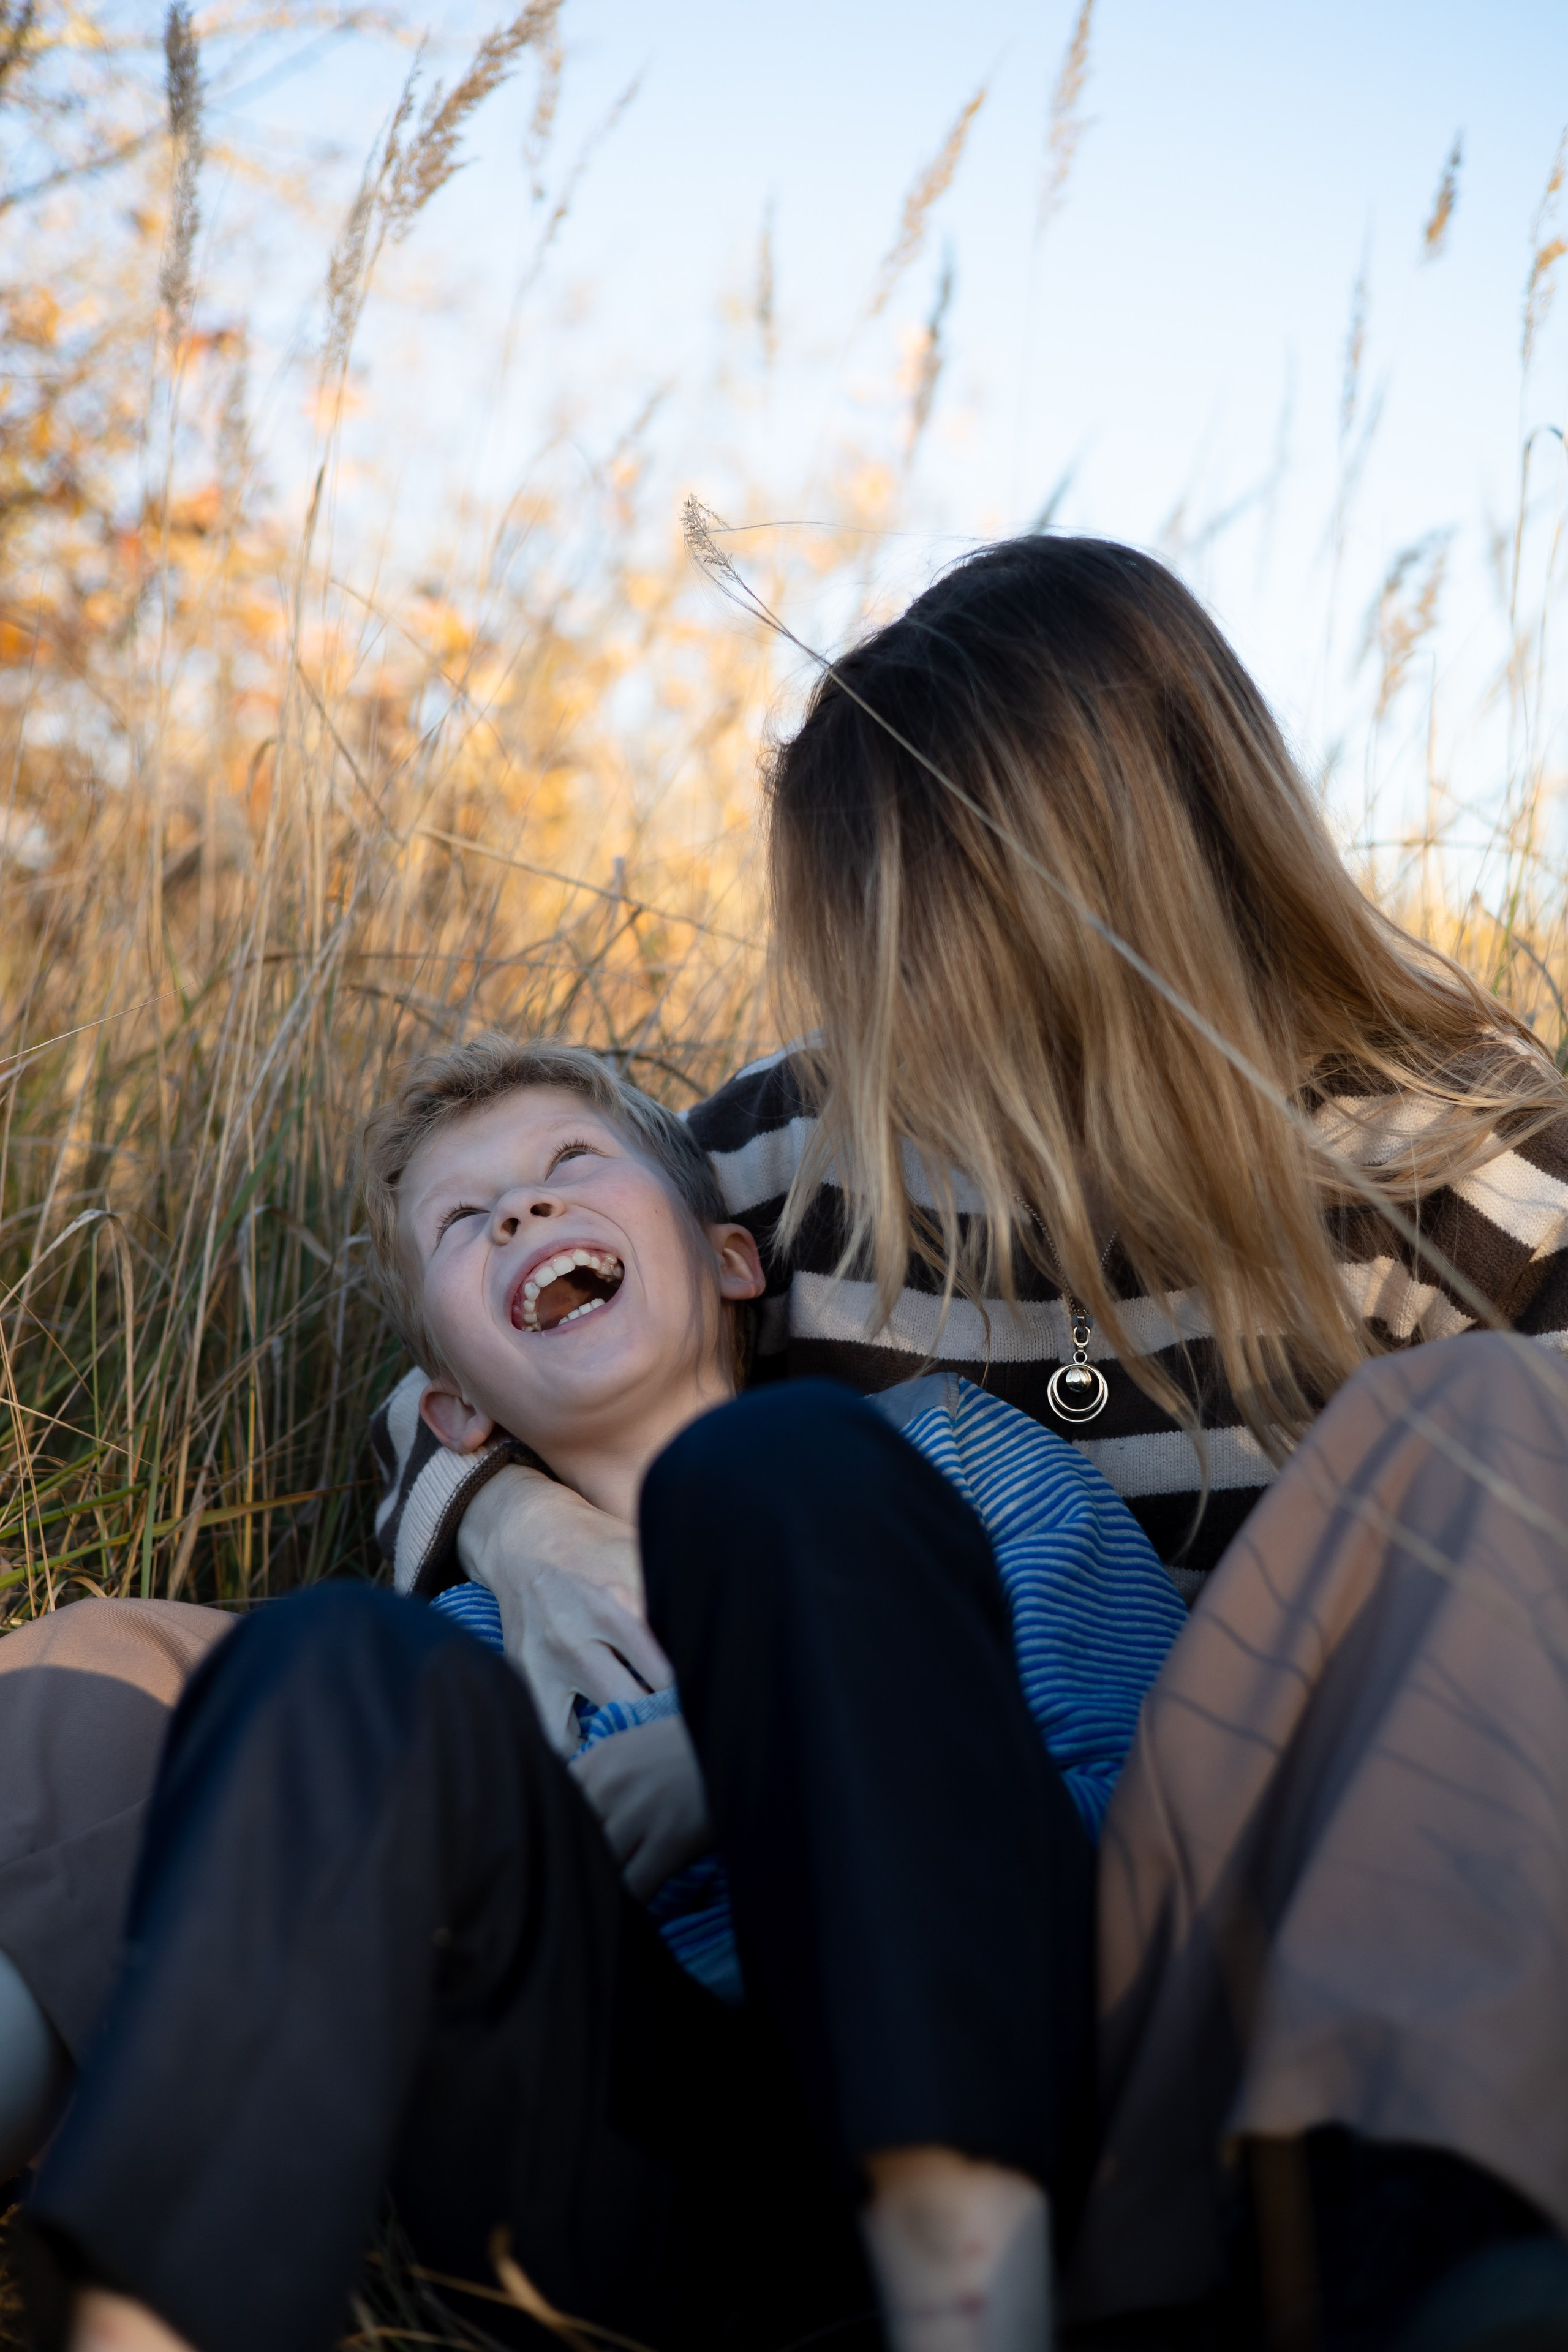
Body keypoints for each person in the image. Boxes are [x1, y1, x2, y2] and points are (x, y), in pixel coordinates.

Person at [12, 531, 1568, 2350]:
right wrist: (526, 1522)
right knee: (148, 1683)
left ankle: (1438, 2251)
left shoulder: (1471, 1160)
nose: (868, 1000)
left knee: (1487, 1423)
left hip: (1215, 1891)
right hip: (678, 2055)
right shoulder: (801, 1150)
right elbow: (529, 1316)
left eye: (903, 922)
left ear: (1097, 886)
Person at [18, 1032, 1186, 2352]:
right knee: (330, 1655)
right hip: (640, 2196)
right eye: (465, 1220)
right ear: (454, 1410)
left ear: (733, 1261)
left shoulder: (946, 1464)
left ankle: (971, 2308)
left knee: (778, 1462)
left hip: (1004, 2104)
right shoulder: (465, 1643)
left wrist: (748, 1758)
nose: (521, 1207)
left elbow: (1137, 1832)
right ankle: (146, 2323)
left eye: (572, 1162)